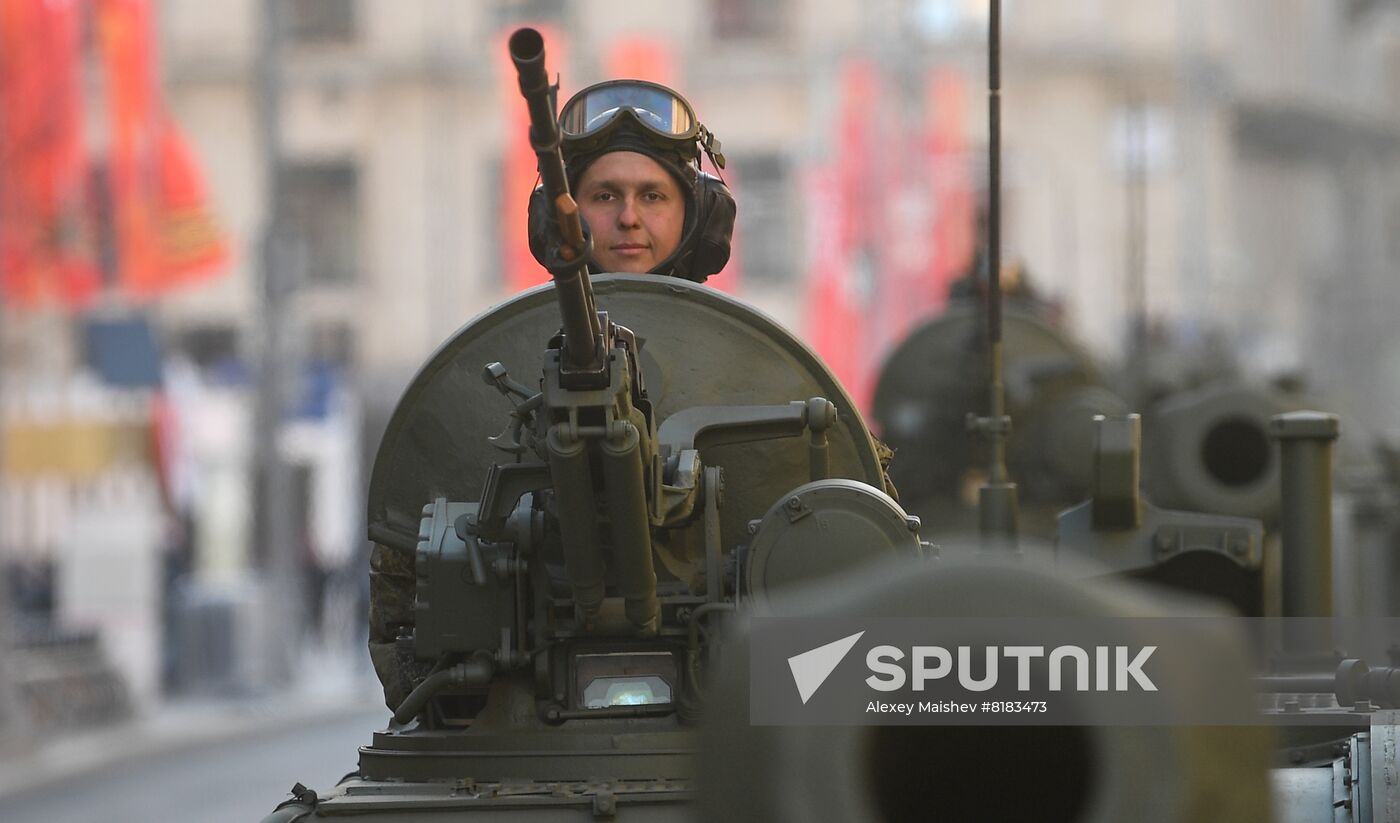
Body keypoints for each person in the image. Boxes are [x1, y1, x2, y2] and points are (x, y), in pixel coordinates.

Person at [369, 80, 892, 710]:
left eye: (653, 196)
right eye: (603, 196)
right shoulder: (492, 373)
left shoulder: (767, 374)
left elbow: (864, 554)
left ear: (699, 213)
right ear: (561, 217)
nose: (628, 218)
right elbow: (403, 609)